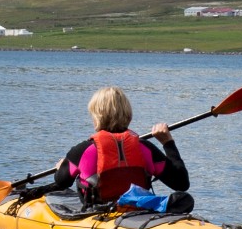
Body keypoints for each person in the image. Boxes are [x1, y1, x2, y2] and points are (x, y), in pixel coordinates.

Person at [19, 86, 193, 215]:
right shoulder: (145, 148)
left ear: (96, 116)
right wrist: (168, 143)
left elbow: (62, 182)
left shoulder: (82, 151)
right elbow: (181, 183)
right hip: (138, 212)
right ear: (128, 114)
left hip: (98, 213)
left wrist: (60, 169)